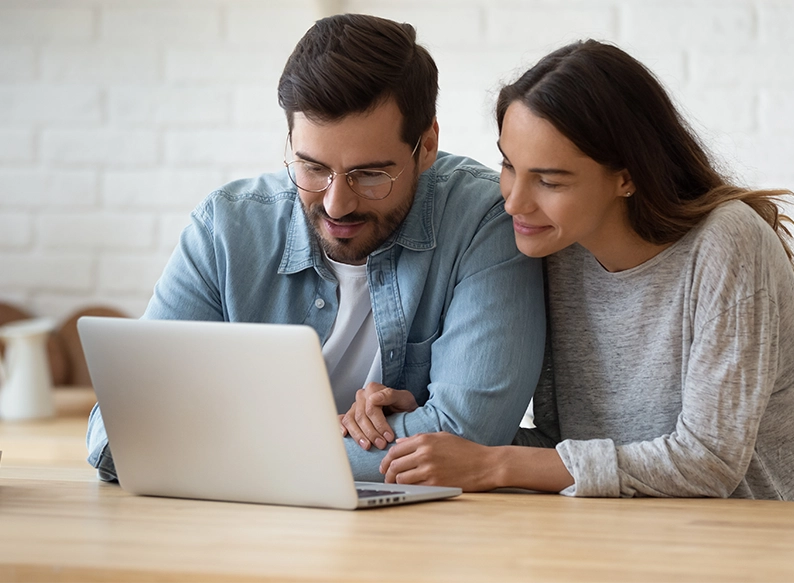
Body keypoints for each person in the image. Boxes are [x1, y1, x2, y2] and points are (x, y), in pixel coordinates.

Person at [369, 40, 794, 502]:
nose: (512, 201)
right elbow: (575, 453)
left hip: (777, 546)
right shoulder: (558, 250)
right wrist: (442, 435)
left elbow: (708, 460)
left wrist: (495, 465)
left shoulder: (726, 243)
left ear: (626, 176)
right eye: (510, 166)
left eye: (550, 180)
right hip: (643, 541)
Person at [85, 14, 545, 483]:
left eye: (369, 175)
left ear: (426, 146)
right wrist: (323, 439)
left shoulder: (484, 220)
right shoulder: (225, 229)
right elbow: (117, 432)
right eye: (312, 167)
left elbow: (469, 436)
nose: (337, 204)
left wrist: (224, 446)